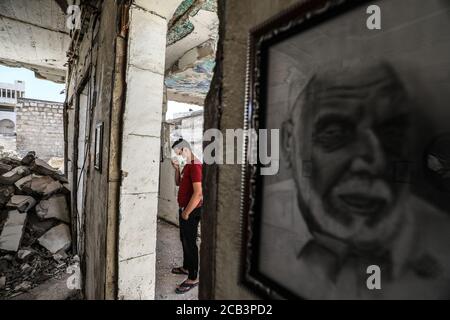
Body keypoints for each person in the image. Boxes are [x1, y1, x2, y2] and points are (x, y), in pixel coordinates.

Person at [261, 61, 450, 299]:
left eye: (391, 134)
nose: (374, 161)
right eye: (334, 133)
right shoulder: (261, 214)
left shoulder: (442, 239)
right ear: (289, 143)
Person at [170, 138, 203, 294]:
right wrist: (176, 169)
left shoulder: (196, 166)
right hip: (184, 209)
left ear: (185, 149)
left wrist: (186, 212)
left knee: (190, 243)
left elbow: (198, 193)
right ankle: (186, 267)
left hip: (191, 211)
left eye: (179, 153)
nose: (179, 157)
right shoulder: (187, 166)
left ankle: (193, 277)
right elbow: (178, 183)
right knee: (184, 239)